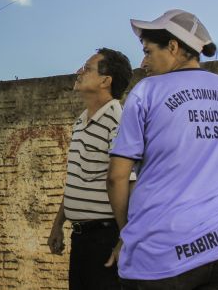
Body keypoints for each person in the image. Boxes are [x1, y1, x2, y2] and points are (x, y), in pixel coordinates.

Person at [107, 9, 218, 289]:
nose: (144, 62)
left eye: (149, 51)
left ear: (174, 46)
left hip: (166, 251)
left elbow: (117, 177)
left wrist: (126, 232)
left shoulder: (146, 92)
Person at [48, 48, 134, 290]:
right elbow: (77, 179)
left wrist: (125, 239)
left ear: (106, 81)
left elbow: (130, 183)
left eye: (87, 68)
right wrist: (58, 224)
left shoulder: (118, 120)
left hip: (106, 237)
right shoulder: (80, 121)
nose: (79, 72)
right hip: (82, 238)